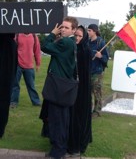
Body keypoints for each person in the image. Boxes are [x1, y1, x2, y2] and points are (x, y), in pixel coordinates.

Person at [39, 16, 78, 159]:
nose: (62, 29)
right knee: (61, 118)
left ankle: (58, 151)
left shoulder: (66, 42)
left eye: (66, 27)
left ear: (73, 30)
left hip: (59, 87)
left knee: (58, 119)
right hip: (63, 86)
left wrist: (52, 33)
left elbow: (44, 46)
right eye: (61, 27)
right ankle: (59, 147)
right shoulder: (71, 42)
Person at [67, 25, 92, 156]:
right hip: (71, 87)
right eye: (75, 35)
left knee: (78, 117)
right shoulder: (71, 48)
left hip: (81, 90)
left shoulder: (86, 50)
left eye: (79, 36)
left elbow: (85, 74)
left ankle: (77, 144)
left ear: (84, 37)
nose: (77, 38)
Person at [10, 33, 41, 108]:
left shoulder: (34, 36)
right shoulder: (17, 36)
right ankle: (13, 102)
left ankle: (36, 102)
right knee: (15, 85)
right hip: (17, 65)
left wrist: (38, 64)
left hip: (29, 66)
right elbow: (12, 50)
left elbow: (37, 50)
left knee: (31, 85)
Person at [87, 24, 109, 118]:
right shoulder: (87, 42)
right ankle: (88, 109)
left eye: (89, 30)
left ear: (94, 31)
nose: (88, 32)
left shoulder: (101, 43)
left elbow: (106, 58)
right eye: (87, 30)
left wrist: (100, 56)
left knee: (97, 92)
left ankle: (97, 111)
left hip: (97, 72)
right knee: (87, 92)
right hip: (87, 70)